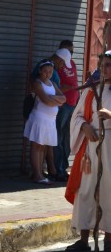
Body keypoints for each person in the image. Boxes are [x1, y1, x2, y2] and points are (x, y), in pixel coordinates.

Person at [65, 51, 111, 252]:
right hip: (91, 147)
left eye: (108, 64)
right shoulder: (91, 90)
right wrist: (85, 127)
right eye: (102, 64)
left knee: (109, 190)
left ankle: (109, 238)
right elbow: (76, 116)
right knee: (85, 190)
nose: (104, 68)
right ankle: (83, 240)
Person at [23, 59, 65, 184]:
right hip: (39, 119)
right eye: (45, 71)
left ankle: (40, 172)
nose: (48, 73)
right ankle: (37, 174)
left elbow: (63, 98)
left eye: (50, 71)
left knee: (42, 146)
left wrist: (53, 98)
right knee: (36, 146)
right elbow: (45, 100)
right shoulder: (37, 83)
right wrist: (54, 100)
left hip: (50, 121)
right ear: (40, 71)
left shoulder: (53, 83)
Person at [54, 43, 79, 181]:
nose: (71, 54)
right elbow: (56, 86)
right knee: (58, 137)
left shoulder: (72, 64)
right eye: (68, 51)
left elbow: (74, 81)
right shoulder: (57, 65)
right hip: (62, 105)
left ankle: (63, 167)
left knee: (67, 138)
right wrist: (67, 88)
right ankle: (58, 169)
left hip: (73, 104)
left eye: (72, 52)